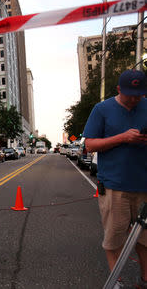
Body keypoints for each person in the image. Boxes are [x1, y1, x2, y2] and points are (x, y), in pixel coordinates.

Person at [83, 69, 147, 287]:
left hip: (144, 184)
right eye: (130, 94)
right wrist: (123, 138)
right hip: (114, 185)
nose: (134, 99)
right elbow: (89, 144)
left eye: (139, 95)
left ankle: (145, 279)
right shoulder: (102, 109)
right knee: (114, 237)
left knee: (145, 239)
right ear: (119, 89)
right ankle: (116, 281)